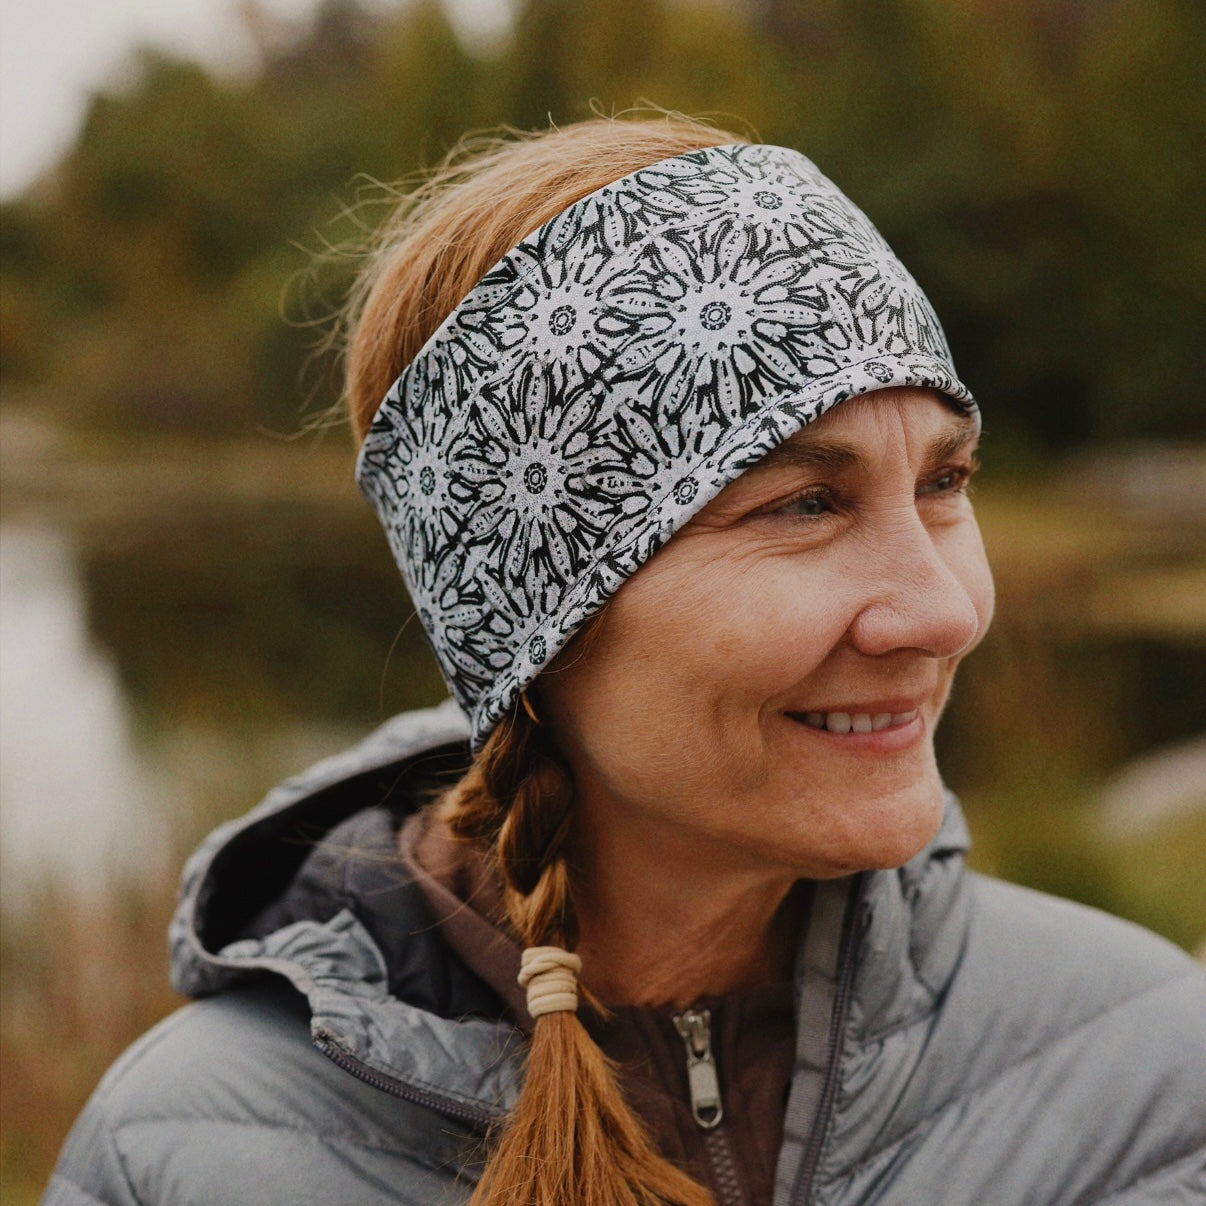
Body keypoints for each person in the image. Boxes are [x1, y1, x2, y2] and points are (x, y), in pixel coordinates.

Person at [46, 117, 1205, 1206]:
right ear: (530, 619)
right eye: (805, 503)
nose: (945, 611)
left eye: (945, 482)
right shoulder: (190, 1159)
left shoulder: (1146, 1065)